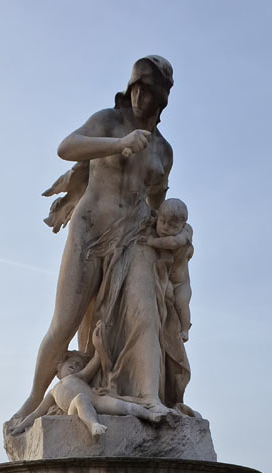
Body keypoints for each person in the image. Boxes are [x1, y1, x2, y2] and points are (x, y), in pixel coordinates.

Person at [9, 56, 176, 426]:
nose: (139, 99)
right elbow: (66, 147)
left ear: (160, 101)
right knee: (63, 322)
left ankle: (147, 397)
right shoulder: (109, 122)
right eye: (135, 89)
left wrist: (172, 243)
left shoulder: (164, 151)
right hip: (89, 230)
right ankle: (33, 400)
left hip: (131, 236)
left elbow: (158, 203)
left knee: (143, 312)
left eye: (148, 93)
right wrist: (117, 145)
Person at [9, 322, 163, 439]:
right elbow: (37, 412)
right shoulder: (53, 392)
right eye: (70, 363)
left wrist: (98, 343)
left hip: (96, 400)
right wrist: (21, 427)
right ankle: (93, 424)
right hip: (74, 408)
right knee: (81, 399)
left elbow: (97, 360)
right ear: (58, 368)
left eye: (78, 365)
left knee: (124, 406)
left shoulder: (79, 377)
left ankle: (150, 416)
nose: (74, 365)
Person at [146, 198, 193, 341]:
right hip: (167, 279)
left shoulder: (185, 233)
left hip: (181, 283)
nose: (165, 228)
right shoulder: (157, 223)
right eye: (162, 222)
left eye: (172, 226)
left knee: (182, 304)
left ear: (182, 225)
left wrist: (151, 242)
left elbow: (173, 243)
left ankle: (185, 330)